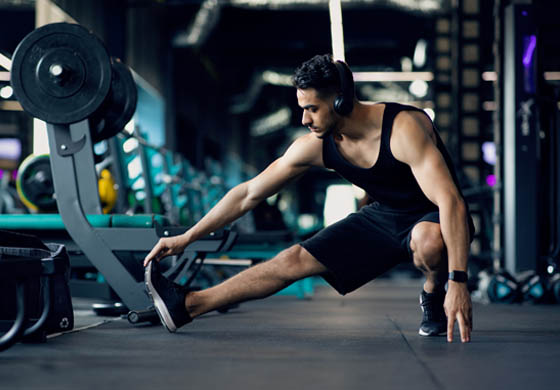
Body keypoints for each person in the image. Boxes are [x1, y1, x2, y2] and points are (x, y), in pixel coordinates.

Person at [143, 54, 475, 343]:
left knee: (428, 240)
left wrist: (457, 281)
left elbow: (451, 202)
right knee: (291, 260)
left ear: (341, 100)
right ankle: (187, 305)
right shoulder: (315, 145)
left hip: (432, 215)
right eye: (302, 108)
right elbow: (248, 193)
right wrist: (187, 237)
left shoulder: (403, 129)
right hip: (385, 215)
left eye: (313, 109)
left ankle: (433, 291)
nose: (304, 119)